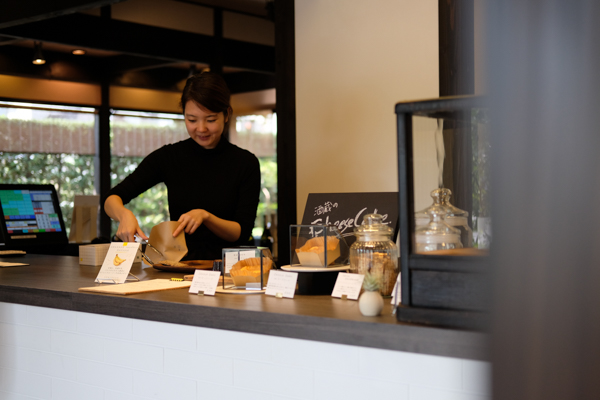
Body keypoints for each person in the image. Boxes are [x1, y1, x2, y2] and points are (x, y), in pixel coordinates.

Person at [104, 72, 261, 260]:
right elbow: (111, 198)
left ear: (226, 114)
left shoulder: (245, 163)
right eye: (192, 120)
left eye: (210, 120)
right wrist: (124, 215)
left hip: (228, 272)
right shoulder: (170, 157)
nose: (201, 128)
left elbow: (241, 232)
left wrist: (206, 216)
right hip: (178, 269)